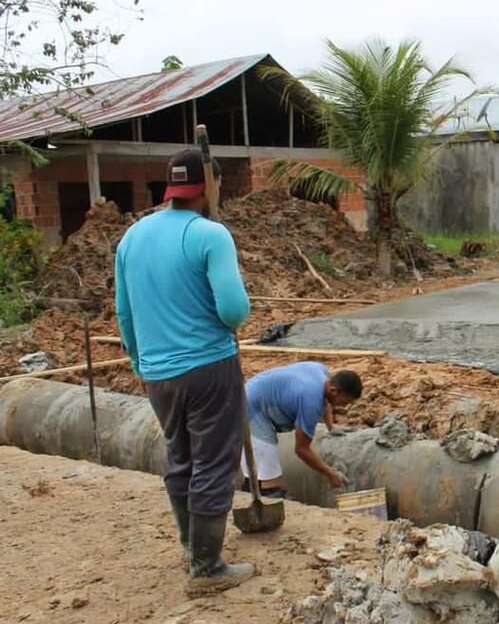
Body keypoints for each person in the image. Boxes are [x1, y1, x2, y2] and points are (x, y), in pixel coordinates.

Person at [115, 148, 254, 596]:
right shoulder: (210, 234)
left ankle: (190, 545)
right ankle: (208, 566)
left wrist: (140, 361)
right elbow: (233, 311)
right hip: (209, 367)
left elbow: (125, 312)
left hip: (158, 373)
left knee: (181, 458)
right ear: (209, 186)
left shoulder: (132, 238)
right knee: (214, 461)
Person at [241, 362, 362, 496]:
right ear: (334, 390)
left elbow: (326, 400)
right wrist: (330, 474)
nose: (344, 407)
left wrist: (331, 426)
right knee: (269, 476)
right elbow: (301, 449)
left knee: (258, 468)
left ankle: (251, 493)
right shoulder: (311, 402)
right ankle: (268, 498)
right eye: (345, 402)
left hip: (251, 391)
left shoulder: (321, 372)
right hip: (251, 408)